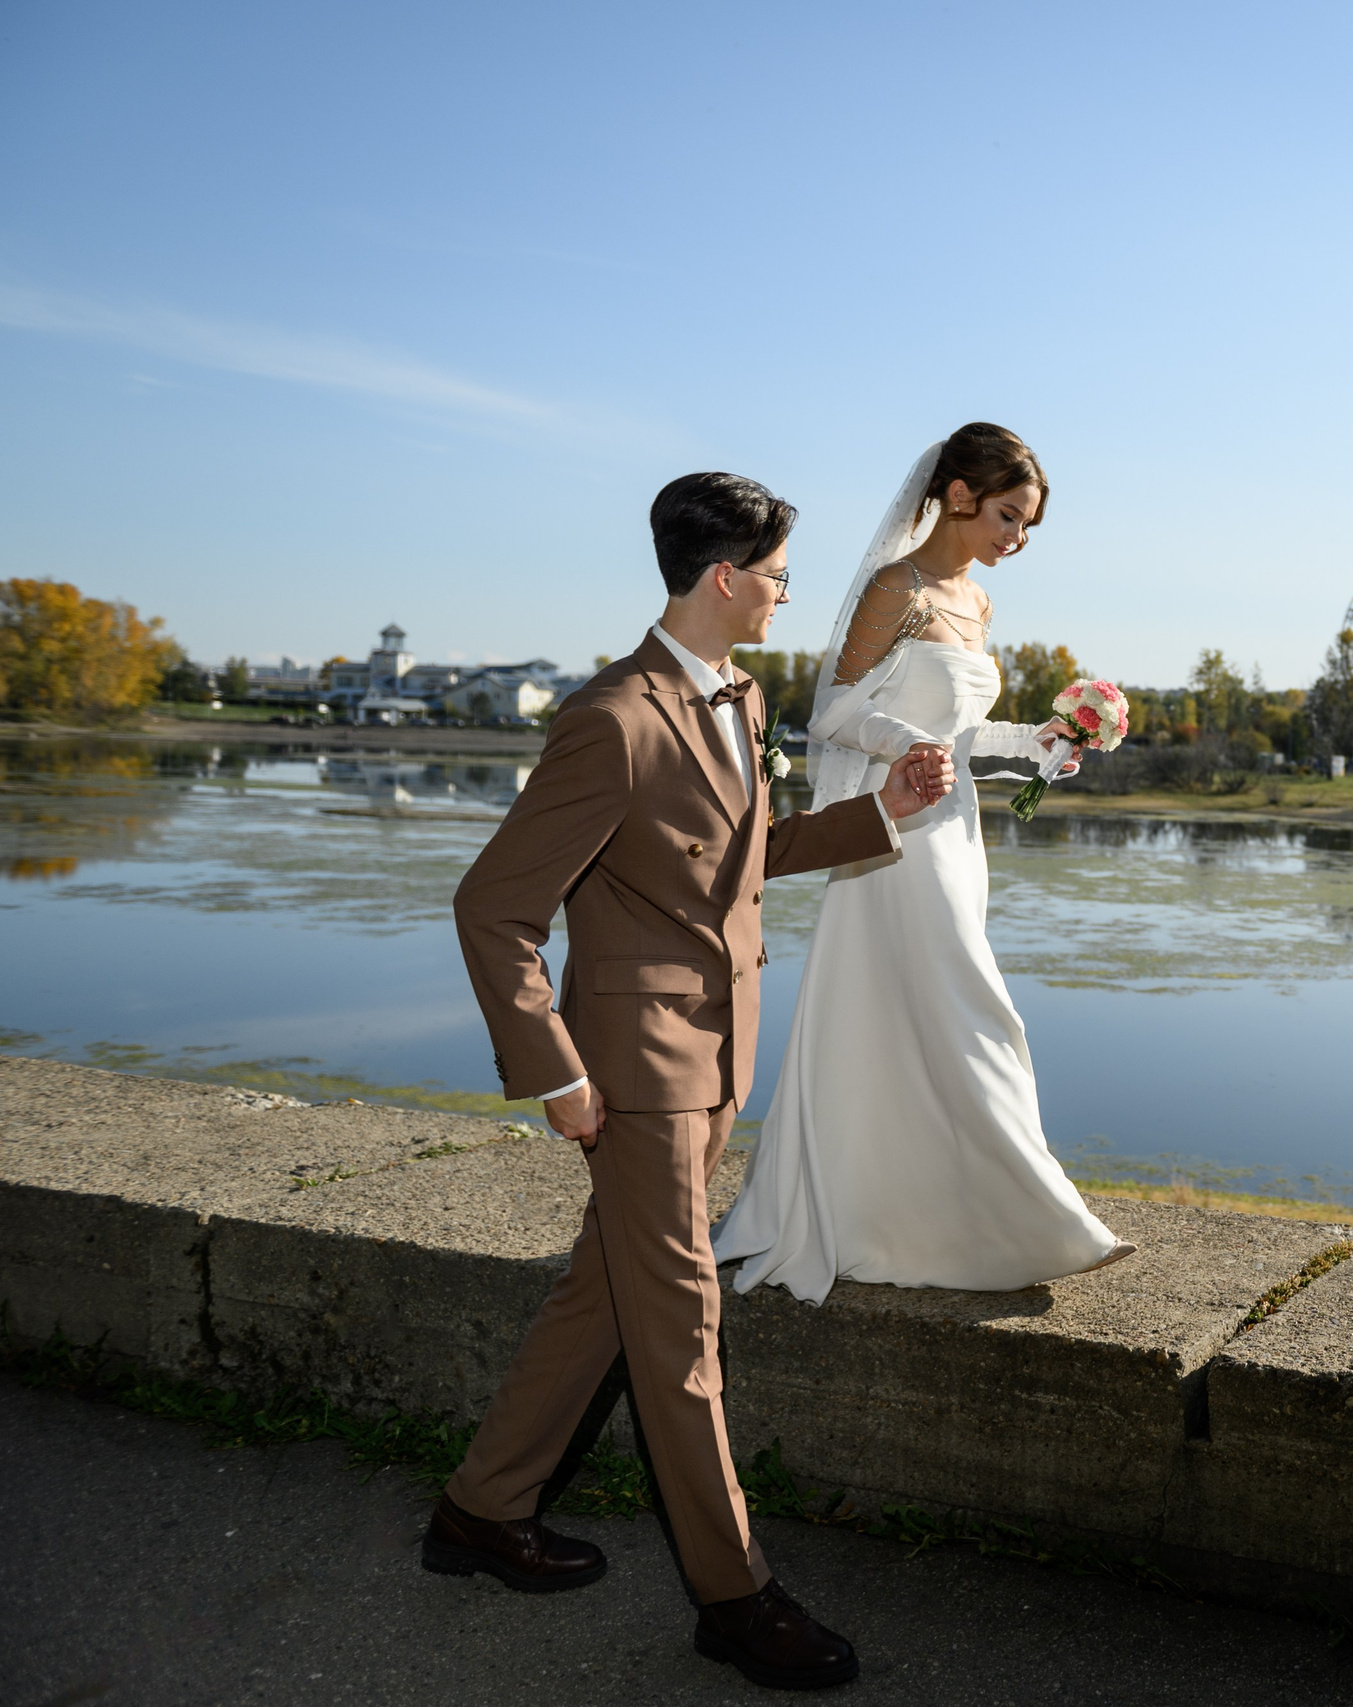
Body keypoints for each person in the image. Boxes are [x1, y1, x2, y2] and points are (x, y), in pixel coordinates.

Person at [433, 472, 954, 1692]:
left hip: (719, 1055)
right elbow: (493, 908)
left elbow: (741, 859)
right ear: (724, 577)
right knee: (681, 1335)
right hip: (635, 1073)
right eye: (776, 574)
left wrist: (879, 814)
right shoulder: (612, 718)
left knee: (601, 1303)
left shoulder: (738, 694)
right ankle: (736, 1596)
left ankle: (479, 1510)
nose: (785, 592)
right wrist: (555, 1071)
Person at [711, 424, 1132, 1300]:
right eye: (1009, 516)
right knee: (978, 1012)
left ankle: (924, 1213)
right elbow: (832, 711)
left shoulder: (975, 604)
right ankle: (1037, 1215)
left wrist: (1041, 741)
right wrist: (907, 745)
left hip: (954, 831)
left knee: (921, 1019)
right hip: (896, 838)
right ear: (959, 492)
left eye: (1028, 525)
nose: (1015, 539)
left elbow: (965, 735)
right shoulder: (894, 587)